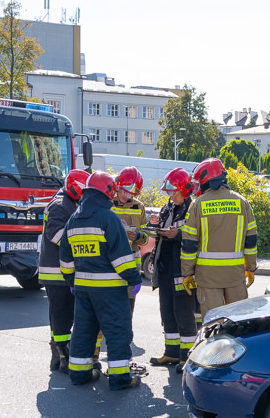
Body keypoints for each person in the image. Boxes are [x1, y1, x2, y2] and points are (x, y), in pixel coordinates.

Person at [60, 171, 142, 390]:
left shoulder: (74, 219)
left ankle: (79, 373)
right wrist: (134, 279)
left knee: (83, 331)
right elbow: (121, 259)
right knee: (117, 331)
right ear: (108, 192)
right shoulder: (109, 218)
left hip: (83, 289)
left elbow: (66, 260)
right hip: (110, 290)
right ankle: (120, 378)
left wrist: (72, 282)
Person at [180, 157, 258, 337]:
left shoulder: (198, 204)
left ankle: (215, 361)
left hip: (208, 278)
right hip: (235, 276)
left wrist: (187, 273)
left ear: (206, 180)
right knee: (238, 324)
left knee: (213, 326)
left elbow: (189, 244)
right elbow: (251, 240)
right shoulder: (241, 202)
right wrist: (251, 267)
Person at [38, 169, 88, 373]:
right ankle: (61, 356)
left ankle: (60, 358)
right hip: (56, 272)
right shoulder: (60, 205)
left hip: (64, 271)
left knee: (65, 316)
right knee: (60, 316)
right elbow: (57, 235)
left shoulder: (70, 202)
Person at [148, 168, 197, 370]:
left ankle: (187, 356)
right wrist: (155, 225)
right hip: (166, 267)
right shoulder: (168, 207)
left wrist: (176, 234)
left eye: (173, 192)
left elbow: (197, 235)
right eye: (168, 192)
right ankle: (171, 353)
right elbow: (164, 228)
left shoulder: (193, 209)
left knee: (184, 313)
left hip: (183, 269)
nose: (170, 196)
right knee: (167, 311)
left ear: (185, 190)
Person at [112, 166, 148, 316]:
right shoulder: (108, 203)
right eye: (124, 191)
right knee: (110, 300)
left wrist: (138, 236)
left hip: (132, 261)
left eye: (130, 193)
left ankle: (125, 334)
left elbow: (146, 238)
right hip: (111, 260)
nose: (126, 196)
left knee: (128, 303)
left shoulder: (139, 207)